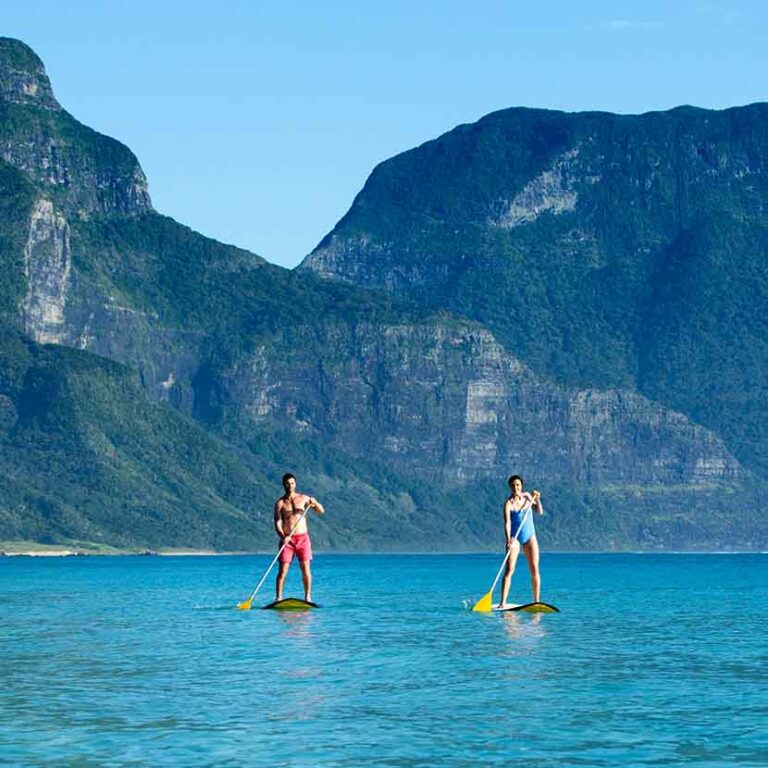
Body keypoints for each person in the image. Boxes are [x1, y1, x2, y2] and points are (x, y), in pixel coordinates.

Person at [274, 473, 325, 602]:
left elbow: (321, 511)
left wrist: (315, 503)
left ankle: (308, 597)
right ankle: (278, 598)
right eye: (287, 483)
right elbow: (278, 523)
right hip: (287, 540)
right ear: (283, 485)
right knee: (282, 571)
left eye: (292, 483)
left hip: (303, 539)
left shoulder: (304, 498)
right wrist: (282, 536)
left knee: (305, 570)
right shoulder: (280, 503)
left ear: (295, 484)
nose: (290, 486)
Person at [500, 474, 544, 607]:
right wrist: (508, 540)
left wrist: (538, 499)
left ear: (521, 486)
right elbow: (507, 523)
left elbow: (539, 511)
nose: (516, 487)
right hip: (515, 538)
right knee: (509, 570)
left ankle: (536, 601)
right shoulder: (508, 504)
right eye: (513, 485)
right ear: (510, 487)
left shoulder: (528, 497)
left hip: (530, 537)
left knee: (534, 569)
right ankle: (503, 603)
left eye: (518, 485)